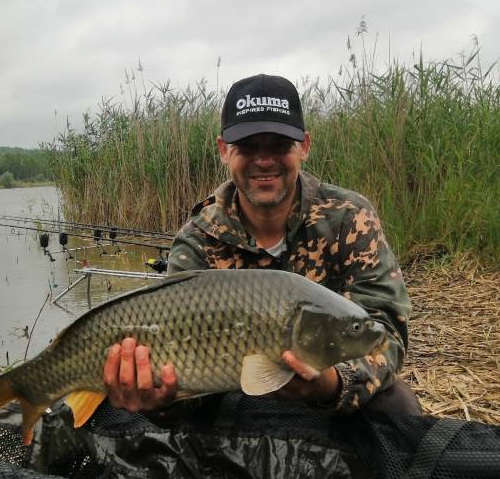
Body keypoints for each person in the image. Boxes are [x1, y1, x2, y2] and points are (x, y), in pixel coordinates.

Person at [103, 73, 420, 415]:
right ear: (224, 150)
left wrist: (330, 384)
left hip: (332, 397)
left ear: (304, 146)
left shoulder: (349, 217)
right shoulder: (196, 240)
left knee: (396, 404)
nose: (264, 160)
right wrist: (158, 400)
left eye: (279, 146)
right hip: (233, 400)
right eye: (248, 146)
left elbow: (384, 330)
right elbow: (181, 374)